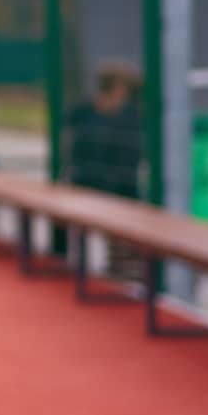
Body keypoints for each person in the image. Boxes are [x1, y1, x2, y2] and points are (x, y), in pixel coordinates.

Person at [67, 61, 145, 279]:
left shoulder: (130, 117)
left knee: (131, 214)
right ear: (118, 88)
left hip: (114, 188)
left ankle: (122, 268)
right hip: (93, 186)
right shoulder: (86, 113)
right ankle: (119, 267)